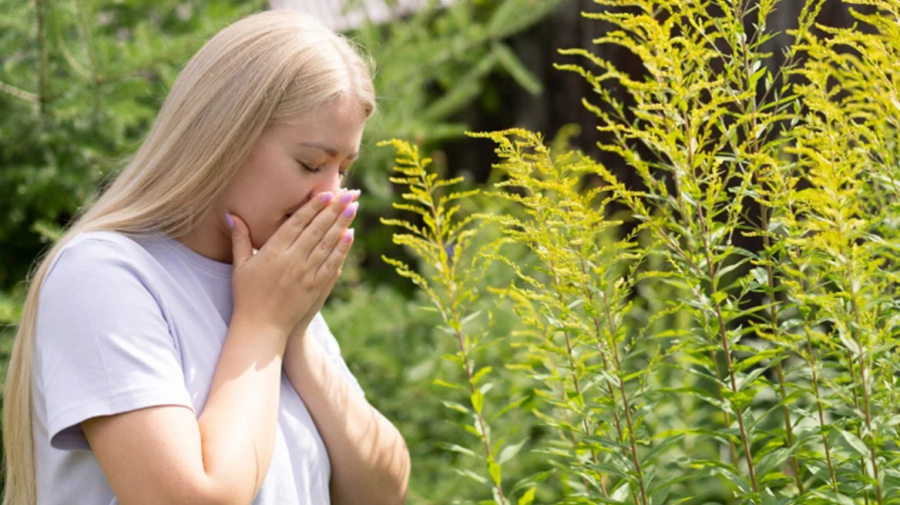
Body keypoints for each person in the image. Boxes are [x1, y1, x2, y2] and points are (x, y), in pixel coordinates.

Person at [2, 10, 410, 505]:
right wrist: (262, 327)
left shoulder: (270, 284)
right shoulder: (104, 276)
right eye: (311, 164)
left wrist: (294, 336)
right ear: (225, 136)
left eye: (343, 169)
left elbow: (383, 488)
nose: (330, 196)